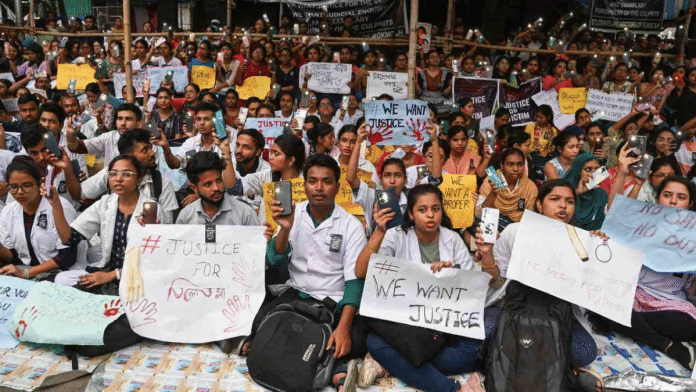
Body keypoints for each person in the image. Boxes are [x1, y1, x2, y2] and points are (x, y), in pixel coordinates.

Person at [245, 154, 368, 390]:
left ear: (337, 186)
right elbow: (275, 262)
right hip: (296, 293)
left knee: (354, 338)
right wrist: (285, 229)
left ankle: (332, 367)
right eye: (312, 181)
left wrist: (343, 328)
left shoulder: (351, 225)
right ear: (304, 185)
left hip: (333, 301)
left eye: (327, 181)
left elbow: (354, 282)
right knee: (256, 318)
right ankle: (334, 370)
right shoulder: (293, 213)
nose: (319, 188)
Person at [355, 184, 485, 391]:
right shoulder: (396, 235)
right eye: (422, 210)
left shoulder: (452, 239)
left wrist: (452, 273)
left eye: (436, 209)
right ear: (411, 214)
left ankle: (390, 363)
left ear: (442, 212)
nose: (430, 215)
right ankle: (451, 388)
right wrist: (379, 232)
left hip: (442, 324)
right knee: (374, 341)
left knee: (472, 352)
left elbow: (471, 289)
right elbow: (361, 272)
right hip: (407, 325)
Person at [476, 179, 599, 369]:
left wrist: (600, 249)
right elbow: (496, 282)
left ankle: (516, 357)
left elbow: (591, 286)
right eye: (555, 199)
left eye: (570, 201)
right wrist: (487, 254)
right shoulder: (515, 232)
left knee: (584, 352)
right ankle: (538, 359)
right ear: (540, 204)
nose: (563, 206)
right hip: (513, 309)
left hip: (556, 316)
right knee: (483, 330)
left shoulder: (581, 242)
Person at [594, 171, 696, 370]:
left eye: (681, 197)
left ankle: (620, 322)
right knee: (604, 301)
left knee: (690, 326)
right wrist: (625, 175)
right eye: (667, 195)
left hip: (669, 303)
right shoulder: (641, 223)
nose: (673, 201)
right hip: (630, 293)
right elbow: (617, 213)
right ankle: (668, 345)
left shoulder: (693, 236)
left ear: (690, 205)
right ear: (657, 199)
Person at [49, 155, 164, 292]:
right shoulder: (105, 203)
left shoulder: (150, 208)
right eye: (113, 174)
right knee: (62, 279)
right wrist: (56, 204)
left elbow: (150, 260)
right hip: (106, 270)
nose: (118, 179)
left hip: (137, 275)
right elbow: (68, 238)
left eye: (126, 174)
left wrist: (110, 276)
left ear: (139, 178)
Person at [0, 157, 85, 280]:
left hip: (61, 273)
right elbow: (12, 256)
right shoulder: (8, 211)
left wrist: (27, 273)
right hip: (26, 271)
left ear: (40, 182)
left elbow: (67, 257)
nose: (19, 192)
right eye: (13, 187)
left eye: (27, 185)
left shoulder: (60, 206)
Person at [80, 129, 179, 223]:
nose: (152, 153)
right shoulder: (111, 173)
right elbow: (82, 193)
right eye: (145, 150)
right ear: (128, 156)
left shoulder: (162, 184)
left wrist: (151, 225)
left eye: (150, 148)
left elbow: (167, 225)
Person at [176, 151, 260, 225]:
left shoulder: (245, 214)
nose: (216, 188)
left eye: (219, 180)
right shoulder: (186, 216)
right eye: (208, 184)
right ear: (194, 188)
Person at [18, 124, 82, 207]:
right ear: (27, 152)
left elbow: (77, 196)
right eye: (34, 153)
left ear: (51, 144)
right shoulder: (23, 174)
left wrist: (68, 169)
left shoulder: (66, 165)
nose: (41, 158)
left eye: (44, 150)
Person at [477, 148, 538, 228]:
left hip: (517, 229)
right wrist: (493, 194)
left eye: (520, 164)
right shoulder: (492, 178)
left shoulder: (529, 186)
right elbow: (478, 214)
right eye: (510, 164)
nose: (515, 169)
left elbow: (530, 219)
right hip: (491, 226)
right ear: (502, 165)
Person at [66, 103, 142, 164]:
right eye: (120, 118)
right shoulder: (109, 137)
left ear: (138, 123)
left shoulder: (147, 141)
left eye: (128, 119)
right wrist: (70, 134)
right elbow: (77, 147)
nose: (123, 123)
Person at [563, 153, 608, 230]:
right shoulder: (564, 189)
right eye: (588, 169)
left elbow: (601, 224)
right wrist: (577, 192)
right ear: (578, 171)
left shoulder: (601, 194)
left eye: (597, 169)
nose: (593, 174)